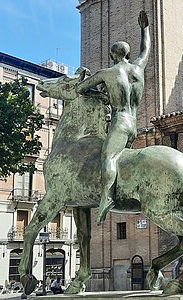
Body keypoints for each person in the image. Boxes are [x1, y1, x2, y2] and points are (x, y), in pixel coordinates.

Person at [76, 11, 151, 225]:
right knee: (122, 160)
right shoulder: (138, 68)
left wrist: (96, 90)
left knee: (107, 158)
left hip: (119, 122)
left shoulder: (106, 73)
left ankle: (107, 197)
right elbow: (146, 49)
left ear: (112, 55)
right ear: (128, 54)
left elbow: (81, 89)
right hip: (134, 123)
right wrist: (144, 29)